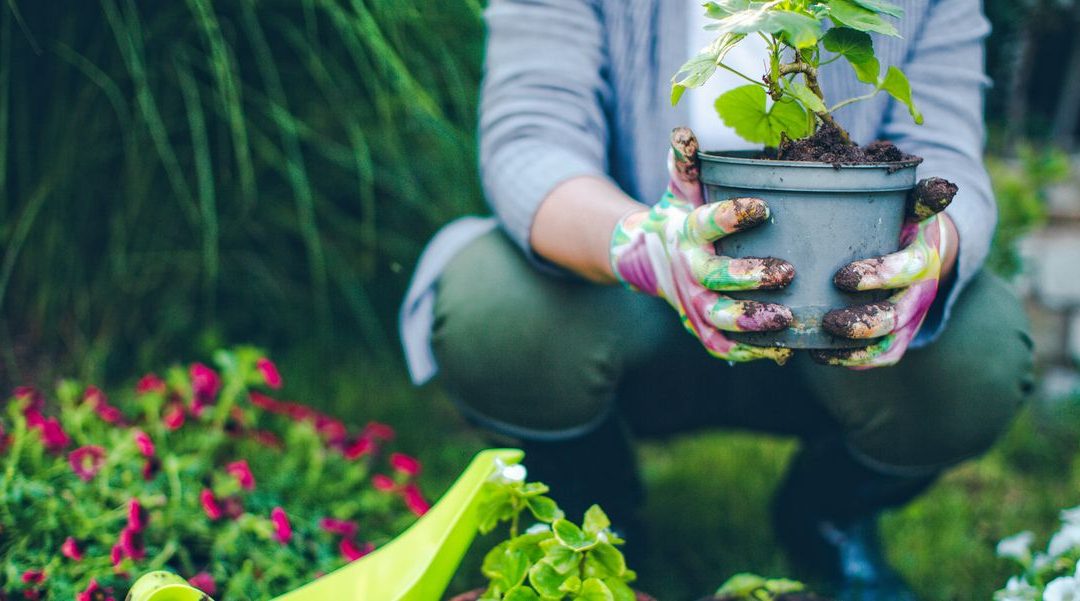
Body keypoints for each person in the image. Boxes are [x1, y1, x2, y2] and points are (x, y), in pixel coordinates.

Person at [399, 1, 1035, 598]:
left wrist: (933, 247)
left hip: (835, 301)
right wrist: (643, 246)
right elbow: (531, 138)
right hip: (618, 296)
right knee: (496, 308)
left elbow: (946, 147)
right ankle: (592, 502)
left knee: (977, 353)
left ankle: (829, 513)